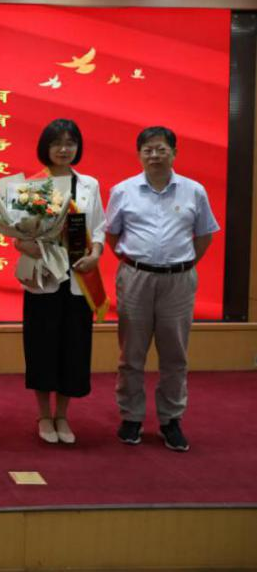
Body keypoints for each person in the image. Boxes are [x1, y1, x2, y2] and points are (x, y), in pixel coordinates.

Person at [106, 126, 219, 452]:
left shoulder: (194, 191)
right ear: (139, 154)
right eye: (148, 150)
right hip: (136, 278)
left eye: (161, 149)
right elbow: (112, 235)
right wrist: (137, 262)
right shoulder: (123, 191)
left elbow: (204, 235)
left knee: (175, 354)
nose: (154, 155)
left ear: (174, 153)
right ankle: (131, 417)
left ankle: (171, 419)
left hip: (178, 281)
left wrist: (181, 263)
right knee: (131, 354)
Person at [14, 119, 107, 445]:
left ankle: (63, 415)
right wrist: (24, 245)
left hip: (79, 276)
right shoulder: (32, 185)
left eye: (70, 143)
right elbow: (18, 234)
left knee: (74, 347)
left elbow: (99, 227)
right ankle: (44, 414)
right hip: (45, 277)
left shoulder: (89, 185)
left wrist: (96, 253)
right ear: (46, 147)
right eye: (57, 143)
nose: (64, 149)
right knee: (41, 346)